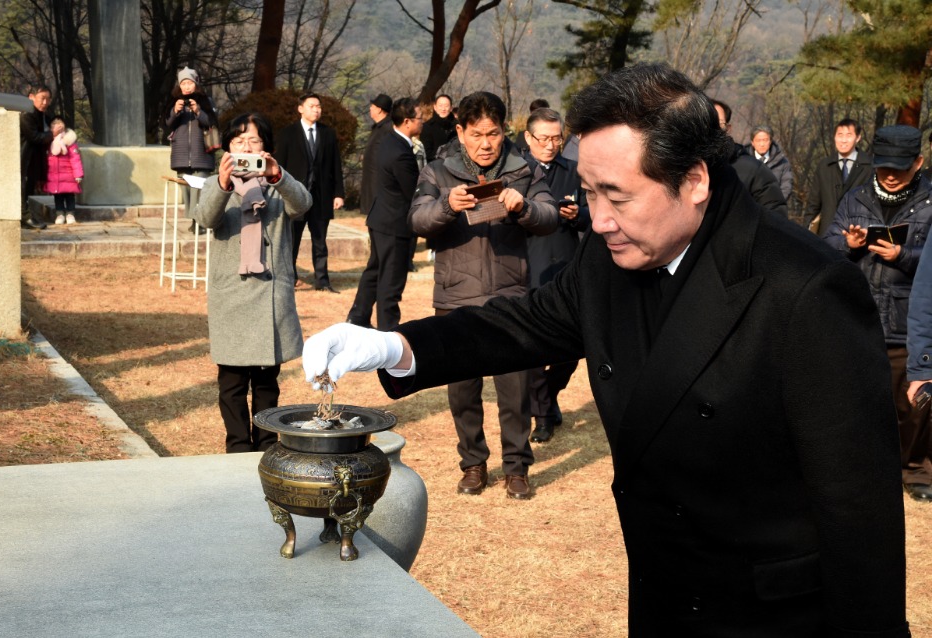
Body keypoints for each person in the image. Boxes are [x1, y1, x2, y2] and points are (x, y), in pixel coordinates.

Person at [302, 64, 909, 635]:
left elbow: (860, 514)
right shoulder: (612, 254)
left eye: (616, 196)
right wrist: (393, 345)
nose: (598, 219)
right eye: (588, 193)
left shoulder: (805, 287)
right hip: (661, 595)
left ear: (694, 179)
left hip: (770, 616)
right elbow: (521, 323)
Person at [405, 91, 557, 500]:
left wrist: (523, 205)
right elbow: (417, 219)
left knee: (516, 387)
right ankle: (472, 464)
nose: (485, 143)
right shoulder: (439, 171)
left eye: (492, 134)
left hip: (510, 295)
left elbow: (550, 214)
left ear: (504, 130)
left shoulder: (523, 170)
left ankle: (517, 467)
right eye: (476, 134)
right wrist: (446, 206)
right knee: (462, 389)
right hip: (456, 296)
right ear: (460, 131)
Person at [823, 125, 932, 504]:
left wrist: (902, 256)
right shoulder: (855, 198)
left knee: (912, 406)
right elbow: (825, 249)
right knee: (857, 402)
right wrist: (848, 245)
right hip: (860, 317)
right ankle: (863, 469)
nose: (889, 173)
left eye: (900, 168)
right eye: (883, 165)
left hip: (908, 321)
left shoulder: (931, 202)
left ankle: (914, 468)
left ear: (918, 162)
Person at [192, 112, 312, 453]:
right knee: (230, 382)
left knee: (265, 381)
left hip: (268, 295)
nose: (246, 147)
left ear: (266, 147)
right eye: (239, 141)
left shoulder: (277, 185)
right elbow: (205, 218)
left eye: (254, 141)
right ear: (227, 147)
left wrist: (279, 176)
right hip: (231, 293)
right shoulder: (217, 183)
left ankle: (266, 446)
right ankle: (237, 447)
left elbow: (303, 204)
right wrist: (223, 183)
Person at [521, 108, 589, 443]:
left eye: (556, 138)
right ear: (528, 138)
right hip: (527, 265)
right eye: (543, 138)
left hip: (567, 264)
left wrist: (579, 215)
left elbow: (597, 213)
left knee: (573, 345)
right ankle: (543, 414)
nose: (550, 145)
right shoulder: (517, 171)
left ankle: (547, 394)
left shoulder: (575, 171)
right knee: (532, 347)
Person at [346, 98, 423, 331]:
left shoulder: (389, 139)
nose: (423, 122)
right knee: (391, 279)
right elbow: (413, 191)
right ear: (408, 121)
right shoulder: (400, 152)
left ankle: (358, 316)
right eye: (420, 118)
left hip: (381, 217)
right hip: (394, 222)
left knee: (375, 270)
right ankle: (387, 330)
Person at [275, 92, 345, 293]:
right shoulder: (288, 133)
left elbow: (335, 166)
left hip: (321, 197)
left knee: (320, 242)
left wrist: (338, 193)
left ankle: (322, 281)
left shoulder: (328, 133)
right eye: (312, 106)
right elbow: (281, 166)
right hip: (295, 197)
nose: (316, 109)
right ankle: (289, 278)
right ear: (300, 108)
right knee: (292, 240)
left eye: (319, 107)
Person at [711, 99, 787, 217]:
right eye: (707, 122)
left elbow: (776, 214)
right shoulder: (680, 168)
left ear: (728, 129)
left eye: (719, 123)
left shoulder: (754, 169)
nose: (712, 129)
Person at [166, 66, 217, 233]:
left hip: (201, 152)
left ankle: (199, 221)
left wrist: (198, 111)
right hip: (181, 154)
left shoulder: (205, 101)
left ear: (196, 84)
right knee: (187, 190)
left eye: (190, 83)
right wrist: (175, 111)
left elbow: (212, 122)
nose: (187, 87)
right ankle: (194, 219)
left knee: (200, 188)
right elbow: (166, 124)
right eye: (183, 83)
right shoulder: (173, 101)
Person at [805, 118, 873, 236]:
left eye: (848, 135)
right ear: (834, 137)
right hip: (826, 234)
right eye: (840, 135)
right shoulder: (824, 166)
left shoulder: (869, 167)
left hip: (857, 235)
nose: (843, 140)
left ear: (857, 138)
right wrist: (806, 232)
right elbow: (813, 204)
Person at [20, 84, 55, 229]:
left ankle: (27, 216)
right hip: (23, 157)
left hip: (33, 159)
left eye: (48, 99)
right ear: (31, 97)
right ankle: (25, 217)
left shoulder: (44, 116)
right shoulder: (26, 115)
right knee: (22, 187)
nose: (45, 102)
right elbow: (34, 137)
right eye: (42, 98)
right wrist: (53, 134)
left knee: (28, 188)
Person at [44, 118, 84, 225]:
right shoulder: (49, 141)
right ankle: (60, 213)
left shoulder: (69, 141)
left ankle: (70, 213)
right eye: (55, 124)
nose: (58, 126)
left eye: (60, 123)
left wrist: (78, 174)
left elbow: (75, 159)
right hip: (55, 175)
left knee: (70, 195)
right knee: (58, 196)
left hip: (68, 175)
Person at [359, 93, 392, 217]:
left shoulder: (388, 128)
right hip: (371, 182)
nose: (370, 109)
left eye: (372, 106)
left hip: (379, 184)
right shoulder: (378, 127)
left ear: (379, 109)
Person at [747, 124, 793, 203]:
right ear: (752, 143)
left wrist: (775, 204)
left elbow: (786, 187)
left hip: (773, 209)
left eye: (765, 140)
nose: (762, 144)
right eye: (758, 141)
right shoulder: (744, 160)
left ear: (770, 141)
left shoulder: (782, 162)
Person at [420, 94, 456, 163]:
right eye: (440, 106)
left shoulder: (457, 126)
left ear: (451, 108)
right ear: (435, 107)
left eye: (446, 106)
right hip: (435, 166)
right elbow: (427, 153)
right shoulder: (427, 127)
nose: (443, 109)